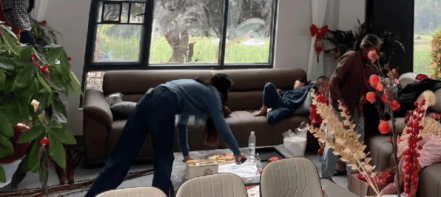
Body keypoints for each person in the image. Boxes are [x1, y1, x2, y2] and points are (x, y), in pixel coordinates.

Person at [85, 74, 247, 197]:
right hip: (163, 103)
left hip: (148, 98)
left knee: (121, 157)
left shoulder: (197, 88)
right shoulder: (213, 95)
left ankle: (93, 195)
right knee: (164, 158)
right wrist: (237, 152)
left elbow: (182, 125)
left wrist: (186, 154)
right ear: (225, 91)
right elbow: (222, 126)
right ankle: (160, 194)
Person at [321, 34, 382, 180]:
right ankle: (326, 180)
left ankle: (354, 181)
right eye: (375, 49)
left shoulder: (370, 66)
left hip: (355, 107)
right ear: (366, 48)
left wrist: (381, 90)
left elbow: (370, 89)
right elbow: (334, 81)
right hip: (338, 104)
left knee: (356, 143)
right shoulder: (351, 57)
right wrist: (341, 103)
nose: (377, 53)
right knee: (334, 141)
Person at [252, 76, 330, 124]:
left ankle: (270, 111)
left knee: (271, 118)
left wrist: (325, 88)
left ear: (303, 83)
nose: (295, 84)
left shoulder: (309, 87)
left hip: (287, 107)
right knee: (269, 85)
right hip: (280, 99)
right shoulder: (293, 91)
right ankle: (264, 109)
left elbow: (317, 84)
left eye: (297, 83)